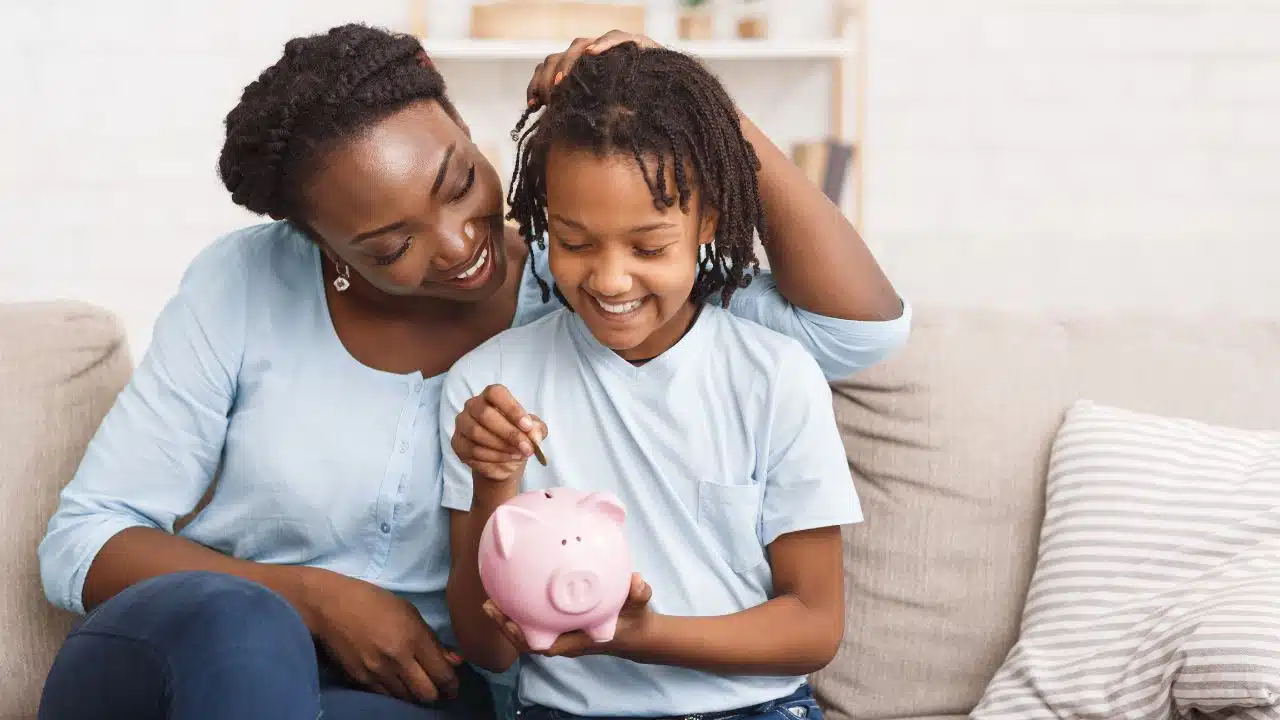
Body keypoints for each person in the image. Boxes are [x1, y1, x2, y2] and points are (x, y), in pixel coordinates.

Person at [35, 22, 908, 720]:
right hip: (190, 658)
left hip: (401, 693)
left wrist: (692, 105)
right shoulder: (245, 281)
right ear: (318, 243)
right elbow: (85, 540)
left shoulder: (578, 284)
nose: (460, 246)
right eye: (390, 244)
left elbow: (857, 333)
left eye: (459, 181)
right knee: (244, 623)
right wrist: (309, 597)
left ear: (457, 115)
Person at [442, 40, 876, 719]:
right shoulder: (490, 382)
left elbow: (814, 626)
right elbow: (487, 650)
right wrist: (492, 478)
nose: (610, 280)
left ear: (707, 221)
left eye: (648, 246)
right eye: (575, 242)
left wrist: (646, 637)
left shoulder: (773, 375)